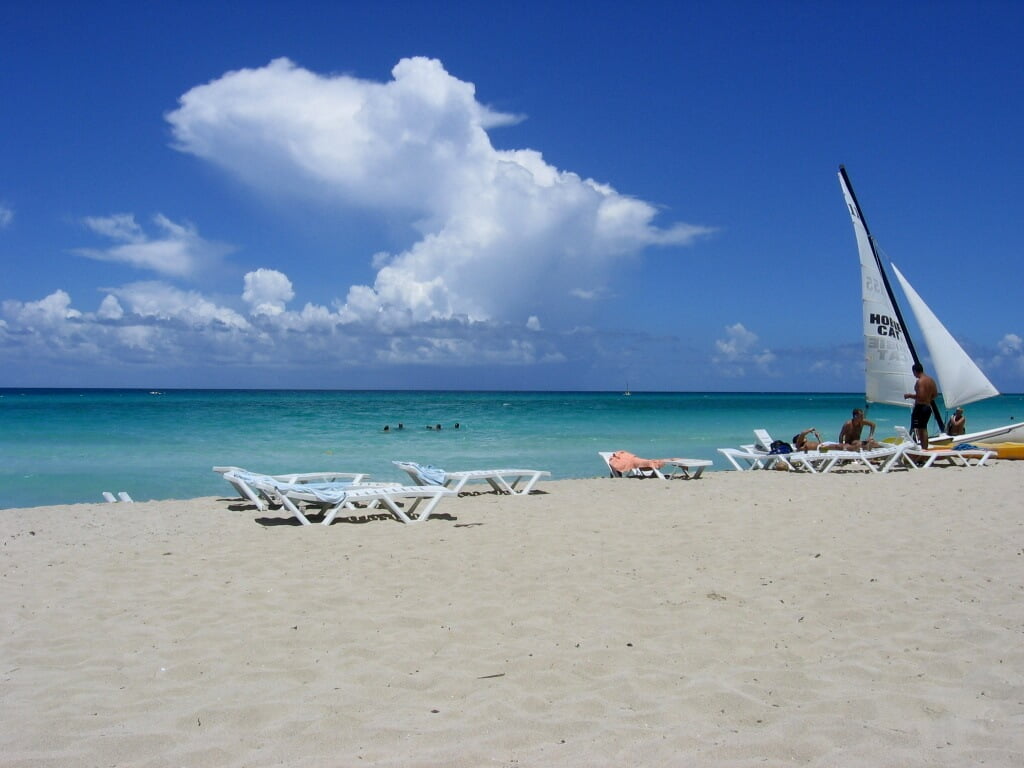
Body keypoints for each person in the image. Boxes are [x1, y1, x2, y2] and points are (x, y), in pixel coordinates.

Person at [904, 362, 938, 449]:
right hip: (927, 407)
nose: (914, 374)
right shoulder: (931, 380)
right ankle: (924, 449)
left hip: (921, 407)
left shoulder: (920, 381)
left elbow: (921, 396)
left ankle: (921, 449)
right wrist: (928, 399)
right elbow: (935, 395)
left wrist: (909, 395)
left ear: (915, 371)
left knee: (918, 429)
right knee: (923, 429)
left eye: (913, 372)